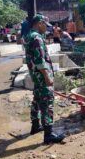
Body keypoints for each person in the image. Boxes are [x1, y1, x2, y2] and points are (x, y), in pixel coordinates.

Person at [23, 14, 65, 144]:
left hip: (36, 76)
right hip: (41, 76)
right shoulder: (37, 38)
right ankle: (49, 134)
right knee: (47, 102)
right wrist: (47, 76)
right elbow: (40, 60)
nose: (46, 29)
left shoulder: (29, 36)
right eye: (45, 26)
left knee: (37, 99)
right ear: (39, 23)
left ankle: (35, 125)